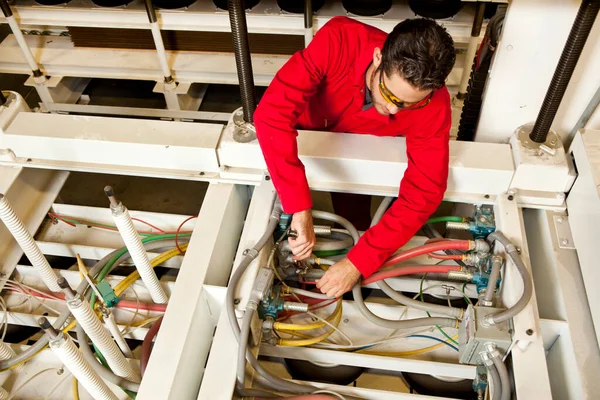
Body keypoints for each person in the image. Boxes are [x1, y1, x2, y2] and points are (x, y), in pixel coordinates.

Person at [254, 16, 455, 298]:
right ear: (378, 57)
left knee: (354, 219)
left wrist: (358, 262)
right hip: (305, 133)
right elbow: (272, 115)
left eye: (411, 104)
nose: (395, 111)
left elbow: (425, 191)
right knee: (279, 210)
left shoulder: (435, 105)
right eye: (390, 95)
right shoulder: (340, 40)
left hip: (362, 149)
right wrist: (298, 205)